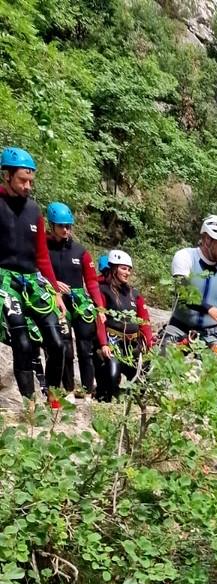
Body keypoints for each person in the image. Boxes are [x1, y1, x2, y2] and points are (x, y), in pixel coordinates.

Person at [0, 146, 67, 400]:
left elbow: (42, 256)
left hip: (32, 280)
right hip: (4, 279)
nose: (28, 186)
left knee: (57, 341)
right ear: (7, 176)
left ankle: (53, 397)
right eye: (22, 180)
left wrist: (54, 291)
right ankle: (29, 403)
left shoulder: (34, 211)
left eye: (30, 181)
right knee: (23, 343)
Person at [162, 216, 217, 370]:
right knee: (164, 367)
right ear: (207, 240)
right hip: (179, 327)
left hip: (211, 335)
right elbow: (183, 293)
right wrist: (209, 308)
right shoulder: (184, 257)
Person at [46, 201, 111, 396]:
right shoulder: (44, 249)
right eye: (61, 226)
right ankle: (68, 388)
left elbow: (91, 282)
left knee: (86, 346)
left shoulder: (80, 252)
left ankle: (88, 389)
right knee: (65, 346)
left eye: (68, 226)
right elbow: (37, 270)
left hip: (79, 302)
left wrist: (99, 309)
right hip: (57, 300)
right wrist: (53, 283)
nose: (66, 230)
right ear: (52, 226)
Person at [95, 249, 154, 401]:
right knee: (112, 376)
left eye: (129, 269)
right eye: (123, 268)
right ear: (114, 268)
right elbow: (100, 317)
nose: (127, 273)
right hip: (112, 343)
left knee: (143, 376)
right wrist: (103, 344)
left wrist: (148, 343)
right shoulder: (103, 290)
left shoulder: (134, 294)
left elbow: (144, 320)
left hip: (132, 345)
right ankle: (107, 397)